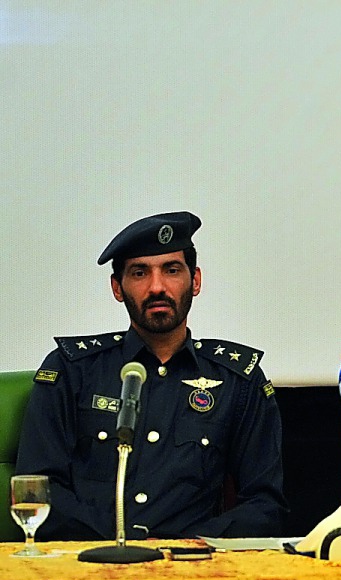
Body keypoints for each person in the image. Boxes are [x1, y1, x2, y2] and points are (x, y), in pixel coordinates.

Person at [17, 212, 287, 539]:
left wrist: (192, 545)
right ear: (117, 287)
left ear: (195, 281)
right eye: (140, 272)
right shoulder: (72, 370)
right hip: (89, 569)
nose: (157, 287)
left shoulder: (237, 380)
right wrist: (126, 541)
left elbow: (265, 505)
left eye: (171, 270)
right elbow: (37, 493)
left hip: (194, 573)